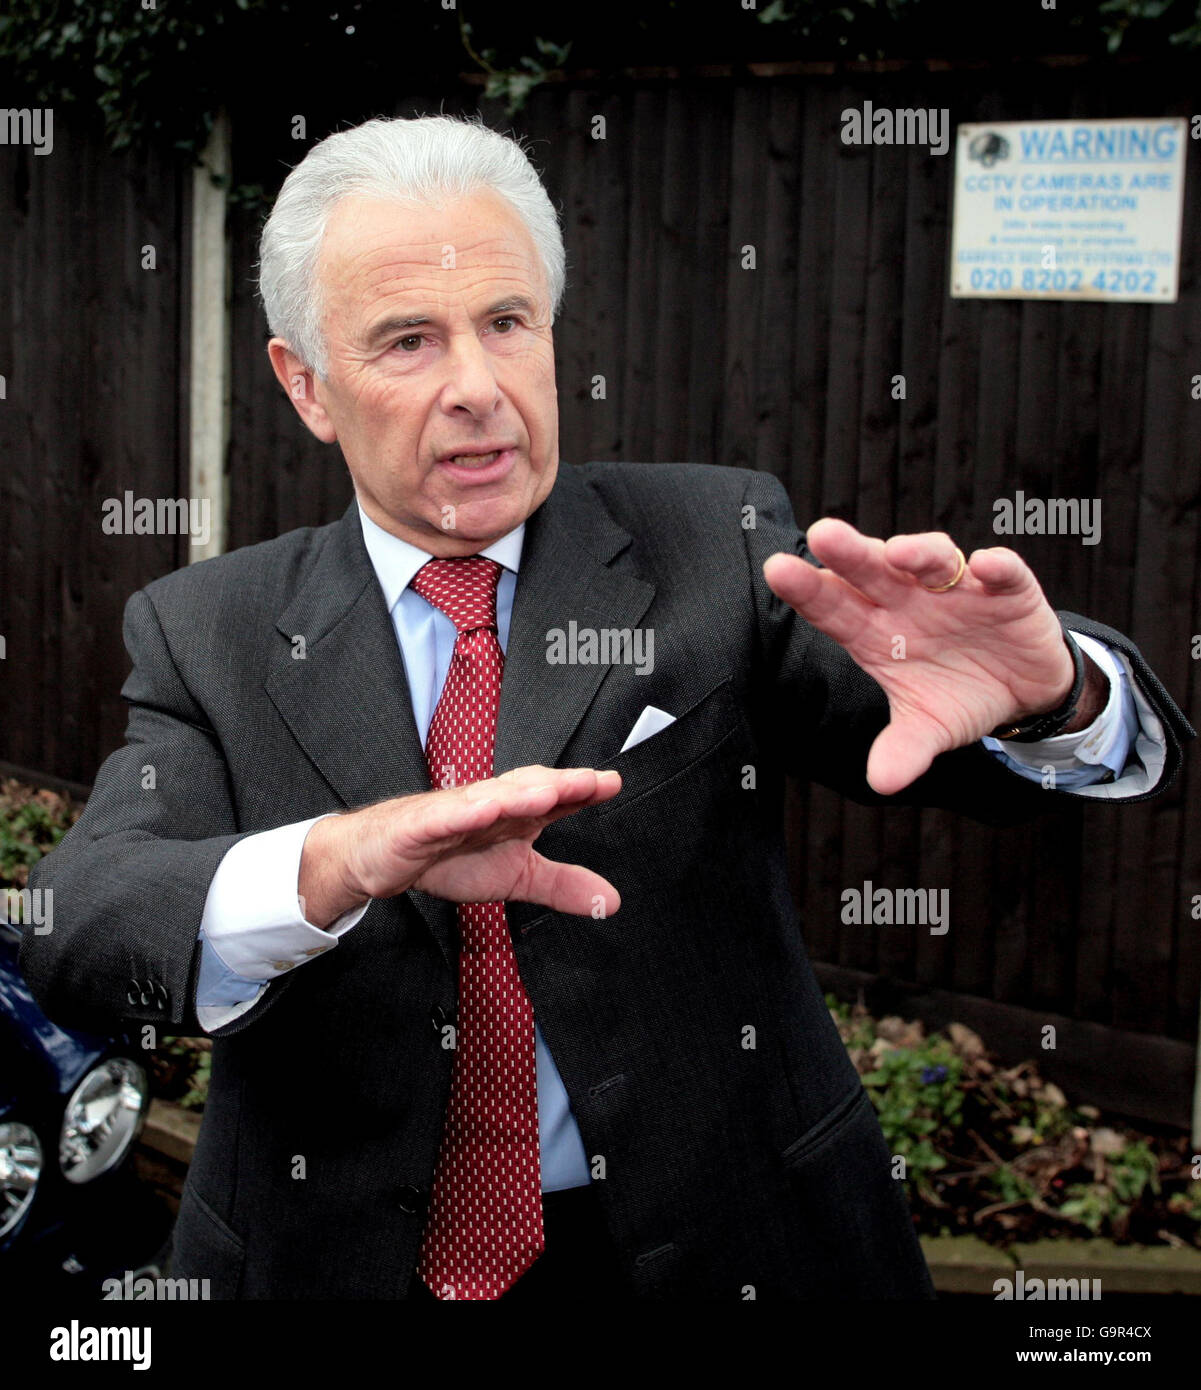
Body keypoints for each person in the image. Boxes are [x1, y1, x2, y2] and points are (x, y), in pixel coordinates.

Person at [21, 114, 1192, 1301]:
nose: (477, 388)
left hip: (738, 1250)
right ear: (307, 385)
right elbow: (82, 922)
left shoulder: (711, 546)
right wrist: (337, 860)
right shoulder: (206, 627)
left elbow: (931, 731)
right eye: (410, 341)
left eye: (506, 324)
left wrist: (1051, 697)